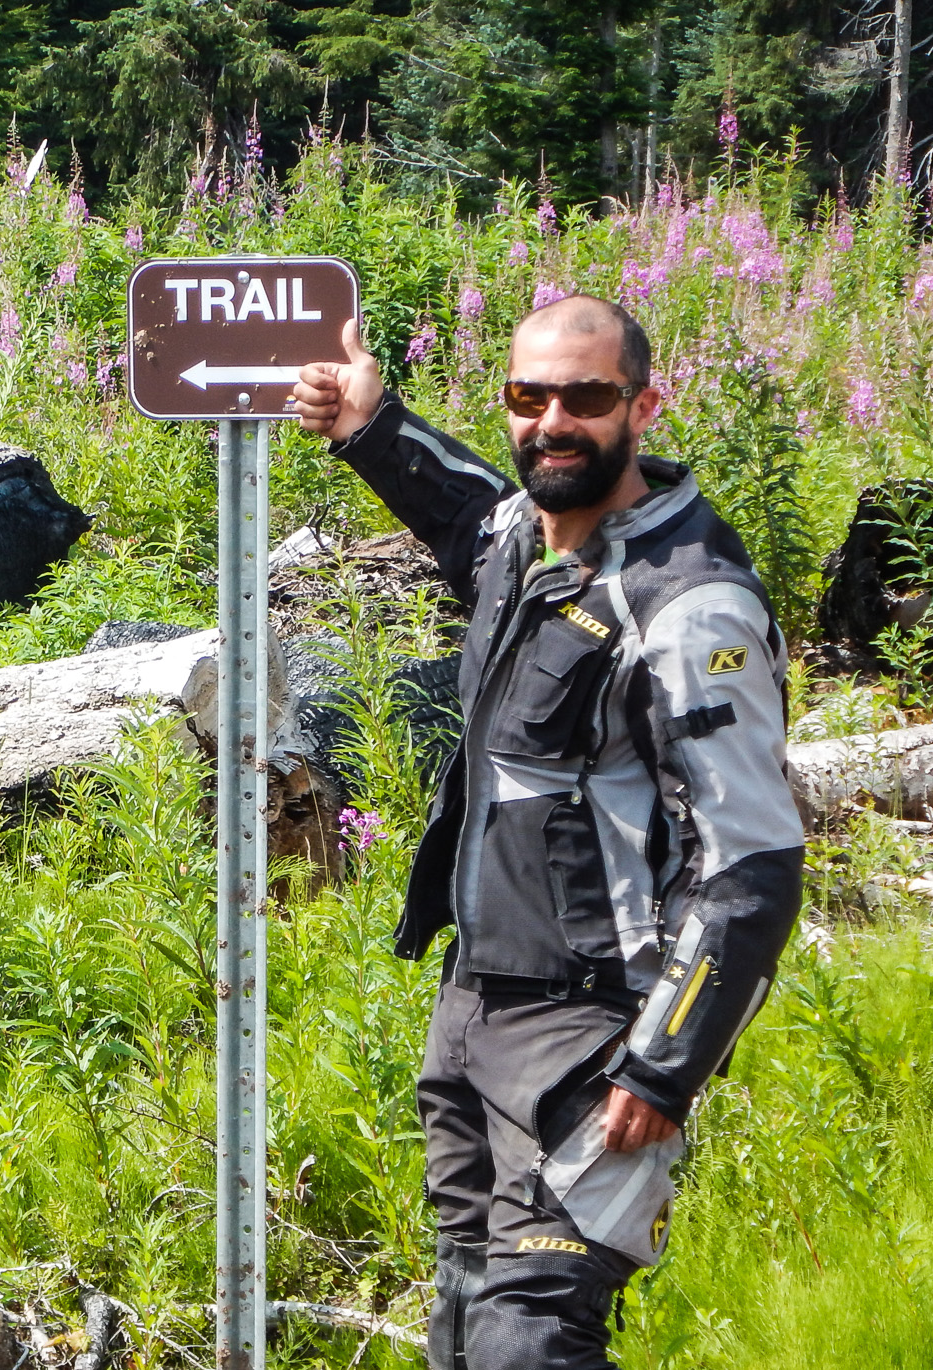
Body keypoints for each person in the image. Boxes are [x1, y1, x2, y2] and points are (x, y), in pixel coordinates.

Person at [289, 295, 806, 1370]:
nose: (551, 421)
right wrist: (368, 425)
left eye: (584, 397)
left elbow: (750, 865)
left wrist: (662, 1065)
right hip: (473, 1012)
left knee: (530, 1341)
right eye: (529, 396)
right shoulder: (530, 544)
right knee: (464, 1327)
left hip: (592, 1036)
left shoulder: (688, 605)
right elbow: (466, 515)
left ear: (641, 405)